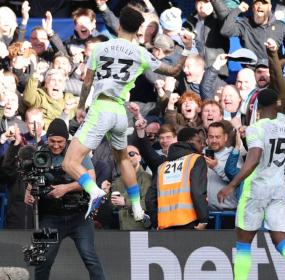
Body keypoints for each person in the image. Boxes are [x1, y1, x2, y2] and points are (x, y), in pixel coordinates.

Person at [62, 5, 194, 220]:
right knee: (123, 160)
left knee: (70, 163)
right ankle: (136, 207)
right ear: (137, 29)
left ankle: (94, 191)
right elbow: (173, 71)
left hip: (102, 108)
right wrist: (187, 49)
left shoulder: (100, 48)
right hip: (121, 113)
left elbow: (87, 83)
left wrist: (80, 106)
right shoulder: (141, 53)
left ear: (119, 24)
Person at [218, 88, 285, 280]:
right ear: (277, 105)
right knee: (281, 238)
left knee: (244, 241)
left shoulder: (256, 128)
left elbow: (254, 157)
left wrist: (232, 184)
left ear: (257, 108)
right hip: (278, 189)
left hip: (256, 189)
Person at [24, 118, 110, 280]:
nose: (56, 146)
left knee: (89, 256)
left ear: (66, 140)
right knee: (43, 259)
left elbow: (91, 180)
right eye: (52, 141)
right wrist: (29, 192)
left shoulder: (77, 152)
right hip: (50, 216)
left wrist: (66, 188)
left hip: (78, 216)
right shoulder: (40, 153)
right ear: (47, 139)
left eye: (60, 142)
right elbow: (32, 181)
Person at [146, 127, 208, 230]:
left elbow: (149, 199)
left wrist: (156, 222)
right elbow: (197, 191)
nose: (202, 145)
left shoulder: (162, 167)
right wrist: (203, 219)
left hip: (164, 225)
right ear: (190, 142)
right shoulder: (196, 159)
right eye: (199, 141)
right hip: (189, 223)